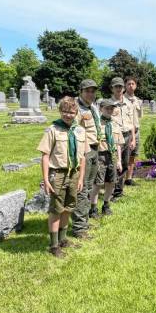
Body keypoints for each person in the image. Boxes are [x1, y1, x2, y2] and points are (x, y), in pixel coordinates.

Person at [37, 96, 87, 258]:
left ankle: (63, 239)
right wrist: (45, 179)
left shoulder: (80, 131)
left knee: (68, 208)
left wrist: (80, 178)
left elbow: (83, 157)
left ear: (76, 113)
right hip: (57, 174)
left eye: (71, 112)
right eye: (64, 111)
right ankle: (53, 245)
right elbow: (45, 155)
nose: (68, 115)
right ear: (60, 111)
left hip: (74, 173)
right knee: (56, 210)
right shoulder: (53, 129)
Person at [71, 79, 100, 239]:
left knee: (89, 188)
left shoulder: (93, 108)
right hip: (84, 153)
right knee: (82, 189)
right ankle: (79, 228)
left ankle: (84, 220)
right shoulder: (77, 109)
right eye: (87, 91)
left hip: (95, 150)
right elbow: (74, 132)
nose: (91, 94)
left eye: (93, 91)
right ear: (81, 91)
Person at [90, 99, 124, 216]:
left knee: (111, 182)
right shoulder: (96, 124)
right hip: (100, 155)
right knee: (98, 183)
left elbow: (118, 144)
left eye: (111, 108)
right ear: (101, 109)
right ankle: (93, 208)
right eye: (107, 108)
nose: (109, 110)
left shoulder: (115, 124)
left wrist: (119, 160)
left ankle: (106, 205)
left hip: (112, 155)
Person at [110, 77, 136, 201]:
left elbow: (131, 122)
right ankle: (112, 191)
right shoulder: (108, 104)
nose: (119, 89)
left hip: (127, 136)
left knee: (125, 164)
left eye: (120, 87)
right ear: (112, 88)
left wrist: (133, 139)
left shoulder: (128, 103)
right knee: (116, 164)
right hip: (115, 137)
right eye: (116, 87)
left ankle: (119, 191)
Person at [124, 76, 143, 186]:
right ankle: (120, 179)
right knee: (123, 156)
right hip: (126, 132)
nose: (131, 86)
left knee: (132, 156)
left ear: (136, 86)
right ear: (125, 86)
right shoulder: (122, 99)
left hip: (136, 131)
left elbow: (139, 116)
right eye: (128, 84)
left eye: (133, 84)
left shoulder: (138, 101)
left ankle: (129, 178)